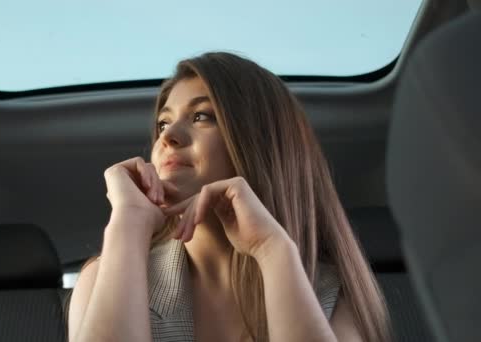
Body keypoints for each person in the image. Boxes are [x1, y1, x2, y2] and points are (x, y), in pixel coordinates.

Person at [68, 52, 390, 342]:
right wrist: (129, 223)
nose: (168, 136)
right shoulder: (105, 276)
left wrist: (273, 249)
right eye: (163, 122)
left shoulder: (335, 292)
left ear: (259, 143)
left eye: (201, 117)